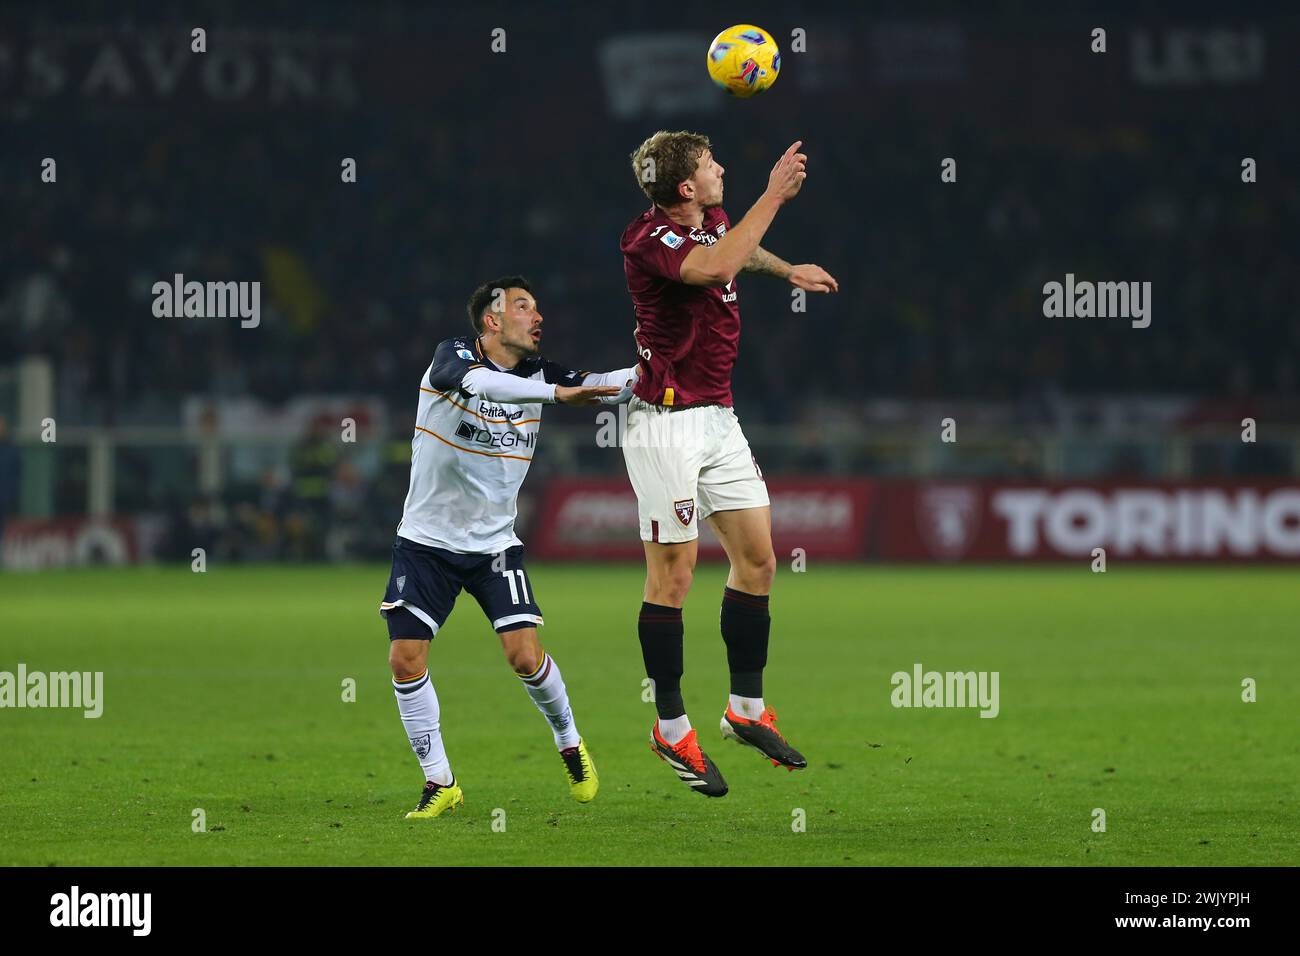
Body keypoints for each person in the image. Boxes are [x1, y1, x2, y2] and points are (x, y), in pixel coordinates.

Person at [620, 132, 838, 796]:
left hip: (716, 414)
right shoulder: (647, 241)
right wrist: (775, 194)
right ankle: (669, 726)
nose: (722, 169)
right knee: (676, 573)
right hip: (663, 423)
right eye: (712, 166)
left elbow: (732, 250)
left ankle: (744, 710)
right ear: (685, 187)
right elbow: (713, 269)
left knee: (759, 559)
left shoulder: (711, 220)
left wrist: (786, 268)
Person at [381, 276, 637, 818]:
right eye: (524, 307)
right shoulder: (451, 357)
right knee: (405, 660)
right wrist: (554, 394)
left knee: (523, 655)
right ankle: (440, 783)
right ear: (492, 320)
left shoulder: (541, 374)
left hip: (494, 545)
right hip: (425, 542)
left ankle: (570, 742)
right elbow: (477, 384)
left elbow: (606, 385)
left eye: (538, 307)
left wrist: (661, 362)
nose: (537, 316)